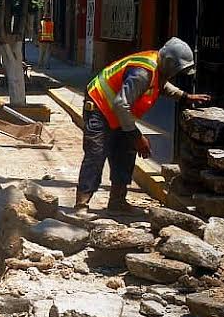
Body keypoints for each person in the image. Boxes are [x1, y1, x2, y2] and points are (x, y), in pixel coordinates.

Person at [75, 37, 211, 213]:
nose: (175, 74)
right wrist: (137, 137)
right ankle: (81, 204)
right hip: (99, 108)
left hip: (119, 113)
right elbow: (120, 104)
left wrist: (185, 97)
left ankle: (117, 202)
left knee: (125, 154)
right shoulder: (142, 73)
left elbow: (161, 85)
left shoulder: (157, 67)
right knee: (96, 155)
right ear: (169, 62)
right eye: (176, 70)